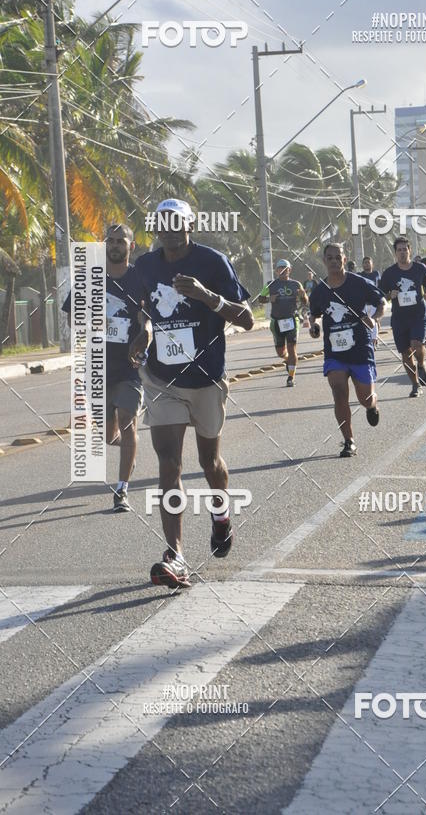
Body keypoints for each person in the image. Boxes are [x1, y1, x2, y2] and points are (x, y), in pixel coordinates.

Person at [129, 198, 253, 588]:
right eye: (161, 223)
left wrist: (206, 297)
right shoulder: (146, 267)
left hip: (206, 378)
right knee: (169, 461)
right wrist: (143, 333)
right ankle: (176, 555)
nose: (168, 229)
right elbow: (143, 310)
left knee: (210, 462)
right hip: (162, 378)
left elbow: (247, 318)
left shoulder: (213, 262)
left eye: (175, 222)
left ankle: (221, 516)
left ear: (190, 225)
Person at [62, 223, 144, 513]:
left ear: (130, 246)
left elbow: (150, 315)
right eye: (110, 240)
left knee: (128, 420)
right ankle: (127, 448)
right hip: (96, 366)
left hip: (129, 366)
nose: (115, 244)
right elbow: (72, 318)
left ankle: (122, 489)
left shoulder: (140, 278)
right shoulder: (88, 278)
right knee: (110, 435)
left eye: (121, 240)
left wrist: (143, 333)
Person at [309, 243, 384, 457]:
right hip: (335, 353)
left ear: (344, 259)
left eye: (337, 257)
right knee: (339, 392)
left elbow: (381, 302)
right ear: (324, 261)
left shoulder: (359, 283)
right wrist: (314, 326)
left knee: (365, 398)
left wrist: (375, 318)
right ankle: (348, 440)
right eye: (329, 258)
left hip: (360, 350)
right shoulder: (321, 289)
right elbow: (313, 312)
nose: (333, 261)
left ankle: (372, 405)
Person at [380, 238, 426, 398]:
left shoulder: (420, 268)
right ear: (395, 253)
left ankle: (422, 364)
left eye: (405, 249)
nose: (402, 252)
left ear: (409, 250)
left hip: (418, 314)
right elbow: (381, 294)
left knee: (416, 344)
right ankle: (415, 385)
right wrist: (390, 295)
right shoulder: (389, 273)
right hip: (399, 318)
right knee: (405, 354)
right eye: (399, 250)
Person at [259, 259, 308, 386]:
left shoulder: (296, 284)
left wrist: (303, 296)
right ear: (276, 270)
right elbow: (260, 299)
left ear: (289, 270)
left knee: (292, 349)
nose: (282, 270)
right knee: (281, 353)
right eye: (280, 268)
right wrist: (270, 299)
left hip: (292, 320)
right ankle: (287, 360)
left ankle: (291, 377)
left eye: (285, 268)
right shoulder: (270, 284)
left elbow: (305, 302)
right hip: (276, 321)